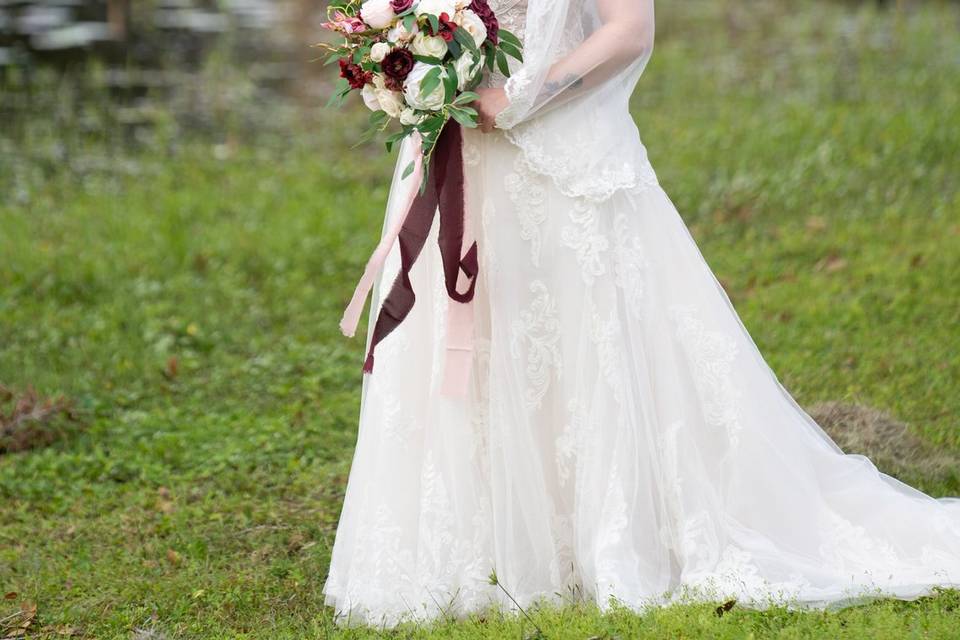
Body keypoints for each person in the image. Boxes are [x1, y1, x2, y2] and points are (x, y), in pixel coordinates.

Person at [323, 0, 960, 626]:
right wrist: (398, 64)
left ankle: (602, 532)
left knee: (573, 348)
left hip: (556, 162)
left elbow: (629, 30)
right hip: (454, 156)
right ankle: (480, 545)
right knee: (478, 353)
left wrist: (519, 100)